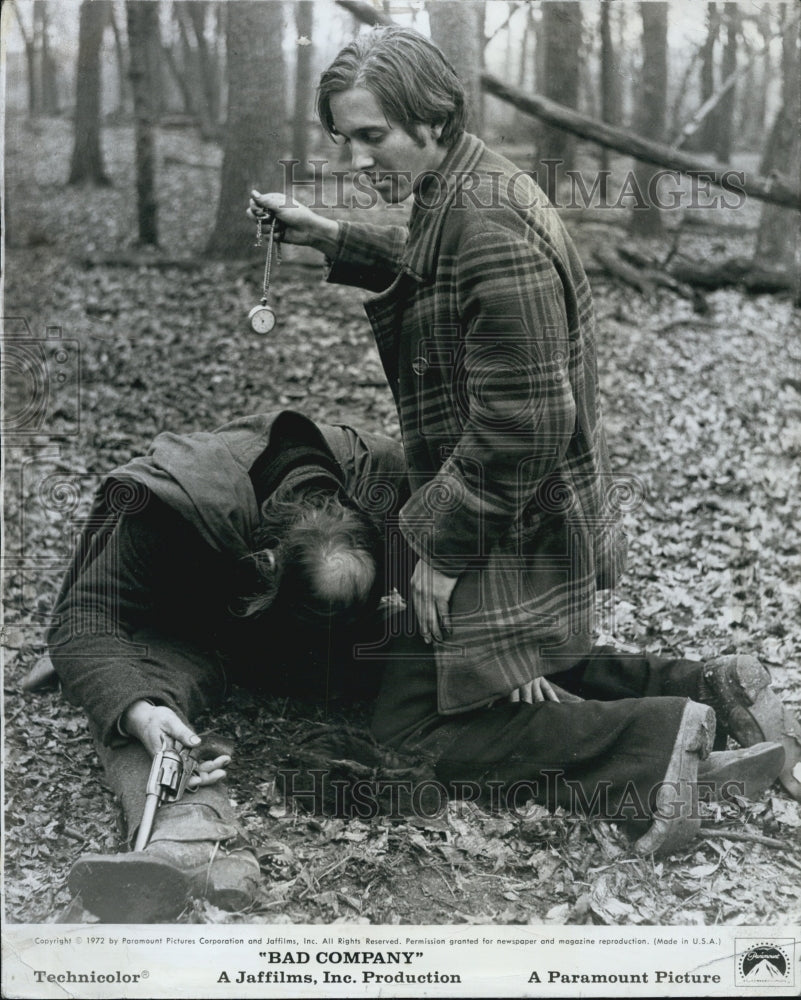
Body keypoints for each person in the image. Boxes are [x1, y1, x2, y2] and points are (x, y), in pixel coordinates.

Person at [39, 408, 794, 923]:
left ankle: (658, 740)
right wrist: (134, 703)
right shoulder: (166, 509)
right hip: (201, 625)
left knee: (417, 730)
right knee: (138, 690)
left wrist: (496, 645)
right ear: (263, 568)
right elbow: (85, 619)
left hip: (372, 623)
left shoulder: (389, 479)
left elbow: (486, 540)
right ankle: (177, 829)